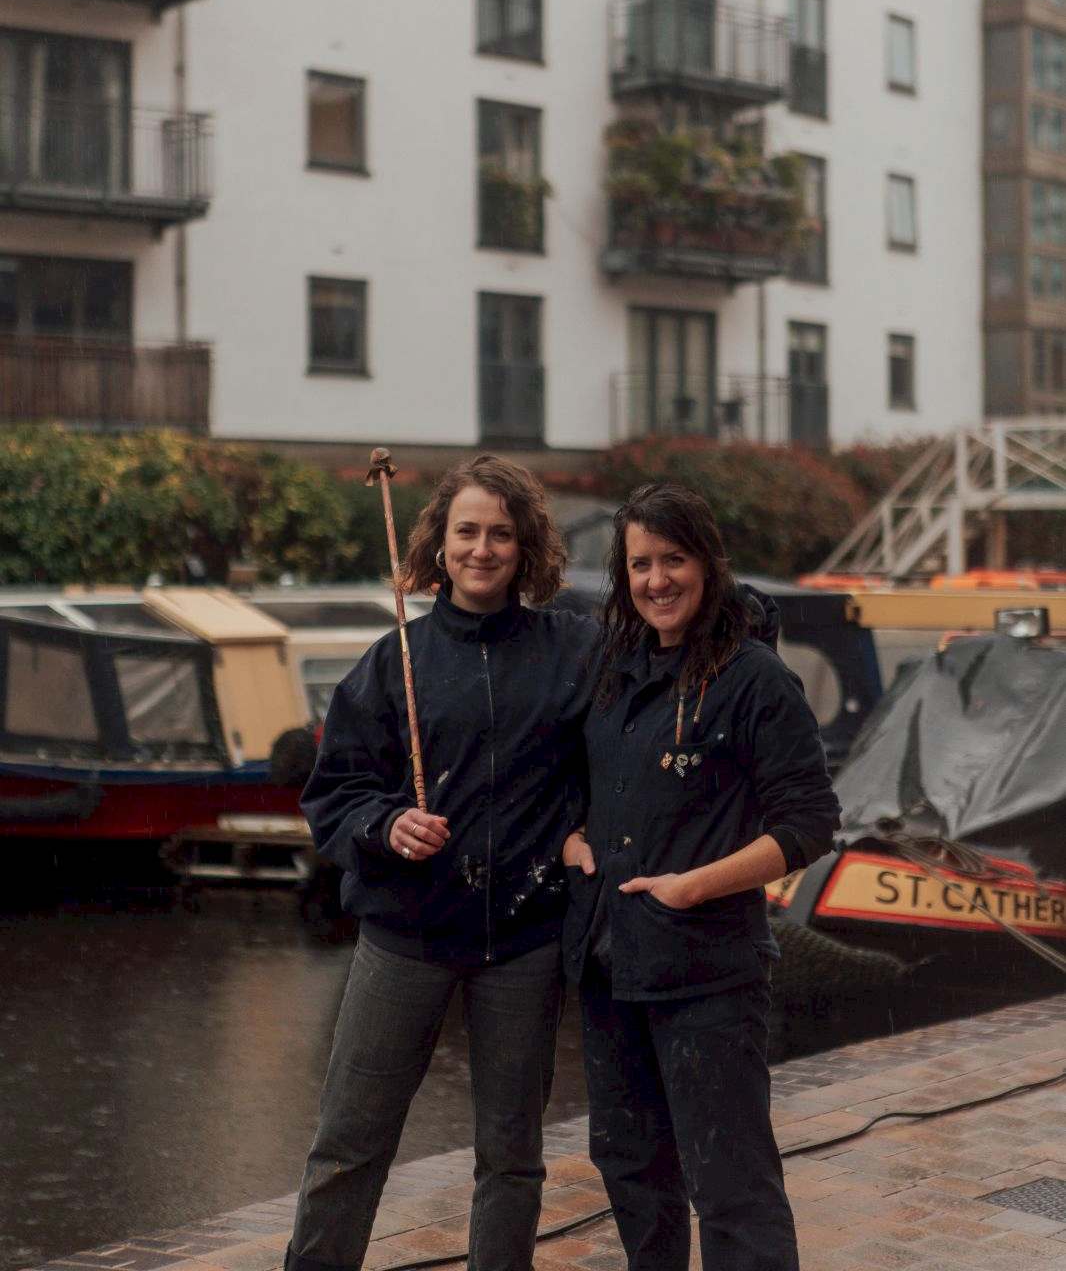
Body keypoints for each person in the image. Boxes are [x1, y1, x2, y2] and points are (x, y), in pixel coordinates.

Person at [284, 454, 600, 1271]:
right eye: (467, 531)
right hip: (406, 935)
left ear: (525, 547)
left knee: (511, 1154)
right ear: (439, 542)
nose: (482, 549)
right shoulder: (395, 660)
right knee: (348, 1145)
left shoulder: (575, 649)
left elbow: (635, 729)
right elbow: (334, 789)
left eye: (501, 533)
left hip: (523, 942)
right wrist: (386, 826)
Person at [562, 482, 840, 1271]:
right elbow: (579, 781)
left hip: (708, 973)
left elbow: (810, 822)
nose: (657, 580)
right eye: (641, 564)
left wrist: (693, 886)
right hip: (611, 964)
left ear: (708, 563)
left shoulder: (755, 679)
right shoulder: (615, 670)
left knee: (730, 1184)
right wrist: (568, 837)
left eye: (673, 559)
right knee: (631, 1170)